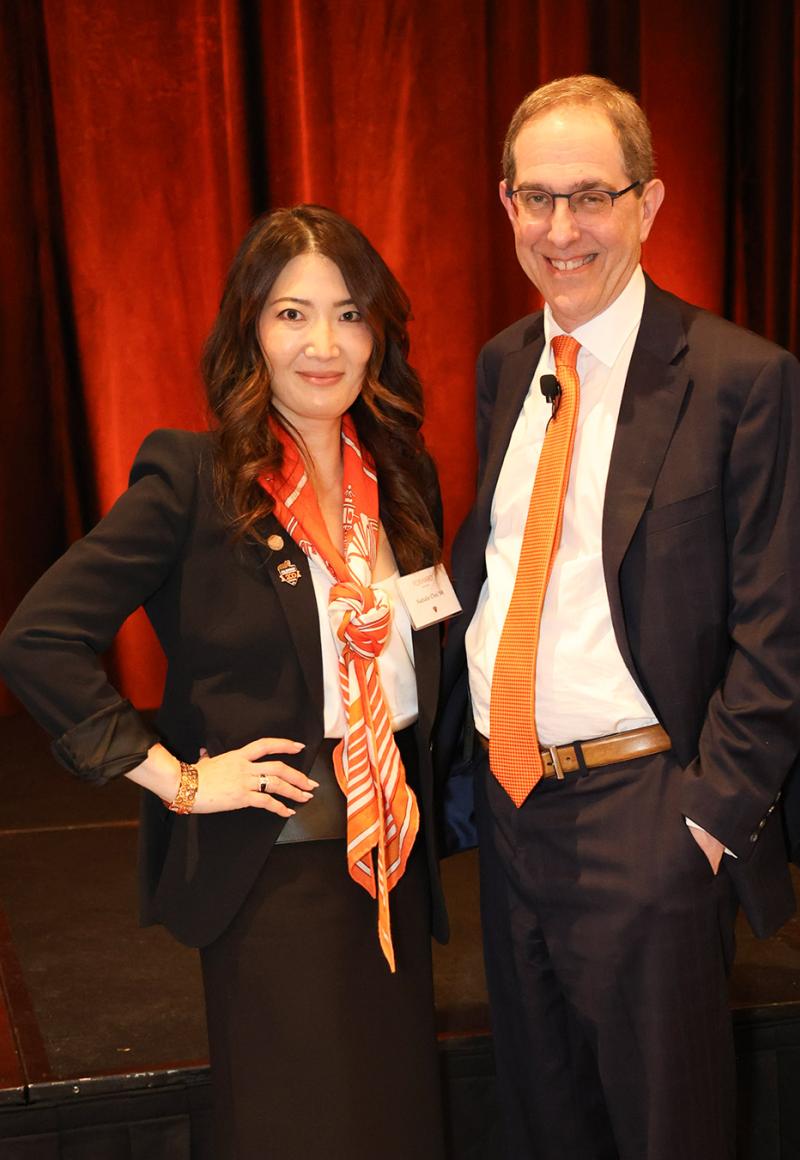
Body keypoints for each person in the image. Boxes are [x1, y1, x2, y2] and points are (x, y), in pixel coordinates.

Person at [0, 205, 448, 1159]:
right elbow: (38, 639)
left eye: (349, 314)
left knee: (398, 1126)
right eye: (292, 314)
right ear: (250, 328)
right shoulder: (195, 480)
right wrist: (179, 779)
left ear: (379, 334)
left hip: (391, 866)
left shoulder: (403, 481)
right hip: (274, 878)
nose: (324, 344)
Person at [442, 75, 800, 1160]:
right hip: (512, 811)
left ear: (648, 204)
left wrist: (702, 821)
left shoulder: (741, 379)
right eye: (536, 198)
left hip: (647, 816)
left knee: (669, 1134)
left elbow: (779, 630)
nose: (561, 229)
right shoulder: (504, 363)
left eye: (591, 197)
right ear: (506, 204)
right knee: (545, 1123)